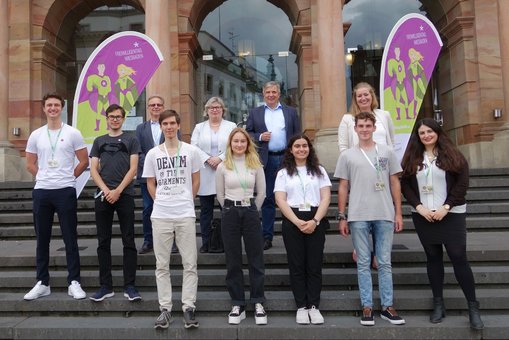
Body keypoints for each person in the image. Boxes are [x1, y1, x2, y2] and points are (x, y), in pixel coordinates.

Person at [400, 118, 484, 330]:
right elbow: (406, 185)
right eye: (422, 133)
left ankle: (473, 307)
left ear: (437, 132)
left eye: (429, 131)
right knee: (433, 258)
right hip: (424, 215)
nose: (426, 135)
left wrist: (446, 207)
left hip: (451, 213)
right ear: (417, 137)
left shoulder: (452, 155)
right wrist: (419, 207)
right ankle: (439, 303)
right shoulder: (412, 157)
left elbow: (462, 183)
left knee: (458, 257)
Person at [334, 111, 405, 326]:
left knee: (384, 262)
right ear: (355, 129)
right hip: (358, 214)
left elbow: (394, 182)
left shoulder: (387, 151)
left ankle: (387, 306)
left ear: (374, 128)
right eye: (361, 126)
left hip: (384, 212)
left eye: (368, 126)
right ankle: (367, 306)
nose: (364, 129)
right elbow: (343, 187)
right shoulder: (347, 156)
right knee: (363, 263)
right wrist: (342, 215)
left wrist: (399, 212)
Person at [24, 93, 88, 301]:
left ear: (62, 107)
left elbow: (83, 161)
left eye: (56, 105)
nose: (52, 108)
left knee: (70, 237)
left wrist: (71, 177)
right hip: (42, 191)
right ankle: (42, 282)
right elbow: (30, 163)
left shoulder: (73, 133)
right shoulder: (36, 135)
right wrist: (42, 175)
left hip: (65, 190)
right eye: (49, 105)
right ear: (44, 108)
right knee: (42, 239)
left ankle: (74, 282)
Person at [142, 110, 201, 330]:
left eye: (172, 123)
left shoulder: (191, 151)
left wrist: (186, 198)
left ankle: (188, 307)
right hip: (161, 215)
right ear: (161, 126)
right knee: (162, 265)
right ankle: (165, 309)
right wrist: (161, 200)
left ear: (178, 125)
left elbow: (196, 180)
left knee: (190, 263)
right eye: (164, 123)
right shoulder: (153, 154)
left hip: (185, 213)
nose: (168, 127)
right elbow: (150, 183)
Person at [274, 134, 331, 325]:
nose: (301, 149)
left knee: (314, 265)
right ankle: (301, 306)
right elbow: (280, 200)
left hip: (316, 218)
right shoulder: (283, 173)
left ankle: (313, 306)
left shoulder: (319, 171)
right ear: (291, 150)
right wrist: (297, 222)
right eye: (297, 146)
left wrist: (315, 220)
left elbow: (325, 198)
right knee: (296, 265)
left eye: (304, 146)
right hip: (293, 219)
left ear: (309, 148)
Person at [338, 82, 396, 268]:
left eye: (366, 95)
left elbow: (390, 142)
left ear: (372, 96)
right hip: (359, 168)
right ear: (355, 99)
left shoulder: (384, 115)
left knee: (383, 208)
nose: (363, 98)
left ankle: (381, 252)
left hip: (382, 167)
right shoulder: (348, 119)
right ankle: (361, 247)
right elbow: (343, 146)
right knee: (362, 208)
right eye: (359, 96)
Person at [89, 104, 141, 302]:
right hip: (103, 196)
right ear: (106, 118)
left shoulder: (132, 140)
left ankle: (130, 286)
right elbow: (94, 169)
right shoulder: (98, 141)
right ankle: (106, 286)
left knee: (128, 240)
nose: (115, 119)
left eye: (118, 117)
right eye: (111, 116)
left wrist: (117, 191)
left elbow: (133, 168)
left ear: (123, 118)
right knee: (103, 242)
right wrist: (106, 190)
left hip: (124, 195)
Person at [215, 128, 267, 325]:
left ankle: (258, 302)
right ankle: (237, 303)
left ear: (247, 144)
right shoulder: (223, 166)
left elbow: (261, 192)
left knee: (256, 258)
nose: (239, 145)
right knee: (233, 259)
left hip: (251, 211)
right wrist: (230, 209)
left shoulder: (255, 164)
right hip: (230, 212)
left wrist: (252, 209)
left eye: (242, 142)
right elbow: (219, 194)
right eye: (235, 141)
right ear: (230, 144)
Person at [246, 81, 301, 250]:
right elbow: (247, 133)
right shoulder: (255, 113)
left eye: (274, 92)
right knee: (268, 198)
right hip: (267, 160)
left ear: (279, 94)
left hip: (287, 159)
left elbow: (298, 135)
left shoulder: (290, 112)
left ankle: (295, 233)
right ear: (263, 94)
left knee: (292, 197)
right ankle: (267, 236)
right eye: (268, 92)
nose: (271, 95)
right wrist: (260, 137)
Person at [191, 97, 236, 253]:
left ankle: (227, 242)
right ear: (206, 110)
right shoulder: (199, 127)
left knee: (226, 209)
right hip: (205, 171)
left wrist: (220, 159)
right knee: (205, 211)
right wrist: (208, 159)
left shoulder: (231, 126)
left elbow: (235, 144)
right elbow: (193, 146)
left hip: (225, 170)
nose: (214, 110)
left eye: (217, 107)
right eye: (211, 107)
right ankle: (206, 242)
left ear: (223, 110)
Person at [136, 95, 177, 255]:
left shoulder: (170, 125)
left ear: (163, 106)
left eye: (159, 104)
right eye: (152, 105)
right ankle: (148, 241)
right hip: (147, 176)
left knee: (169, 208)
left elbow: (175, 148)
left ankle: (172, 241)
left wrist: (161, 165)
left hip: (167, 174)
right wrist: (152, 164)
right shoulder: (141, 128)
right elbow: (138, 151)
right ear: (148, 107)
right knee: (148, 208)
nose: (155, 107)